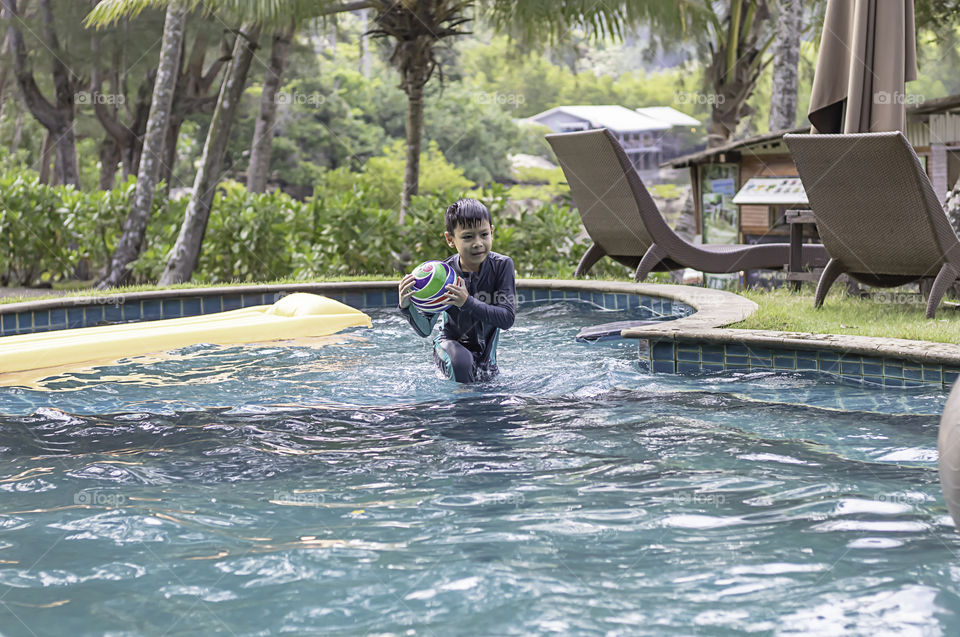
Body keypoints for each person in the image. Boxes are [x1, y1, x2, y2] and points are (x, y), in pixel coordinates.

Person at [398, 198, 516, 383]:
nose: (478, 243)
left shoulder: (502, 266)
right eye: (468, 237)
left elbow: (507, 319)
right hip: (450, 350)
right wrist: (406, 307)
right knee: (461, 362)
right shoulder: (443, 275)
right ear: (450, 239)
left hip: (486, 361)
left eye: (484, 234)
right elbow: (425, 330)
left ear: (492, 232)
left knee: (484, 384)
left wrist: (467, 302)